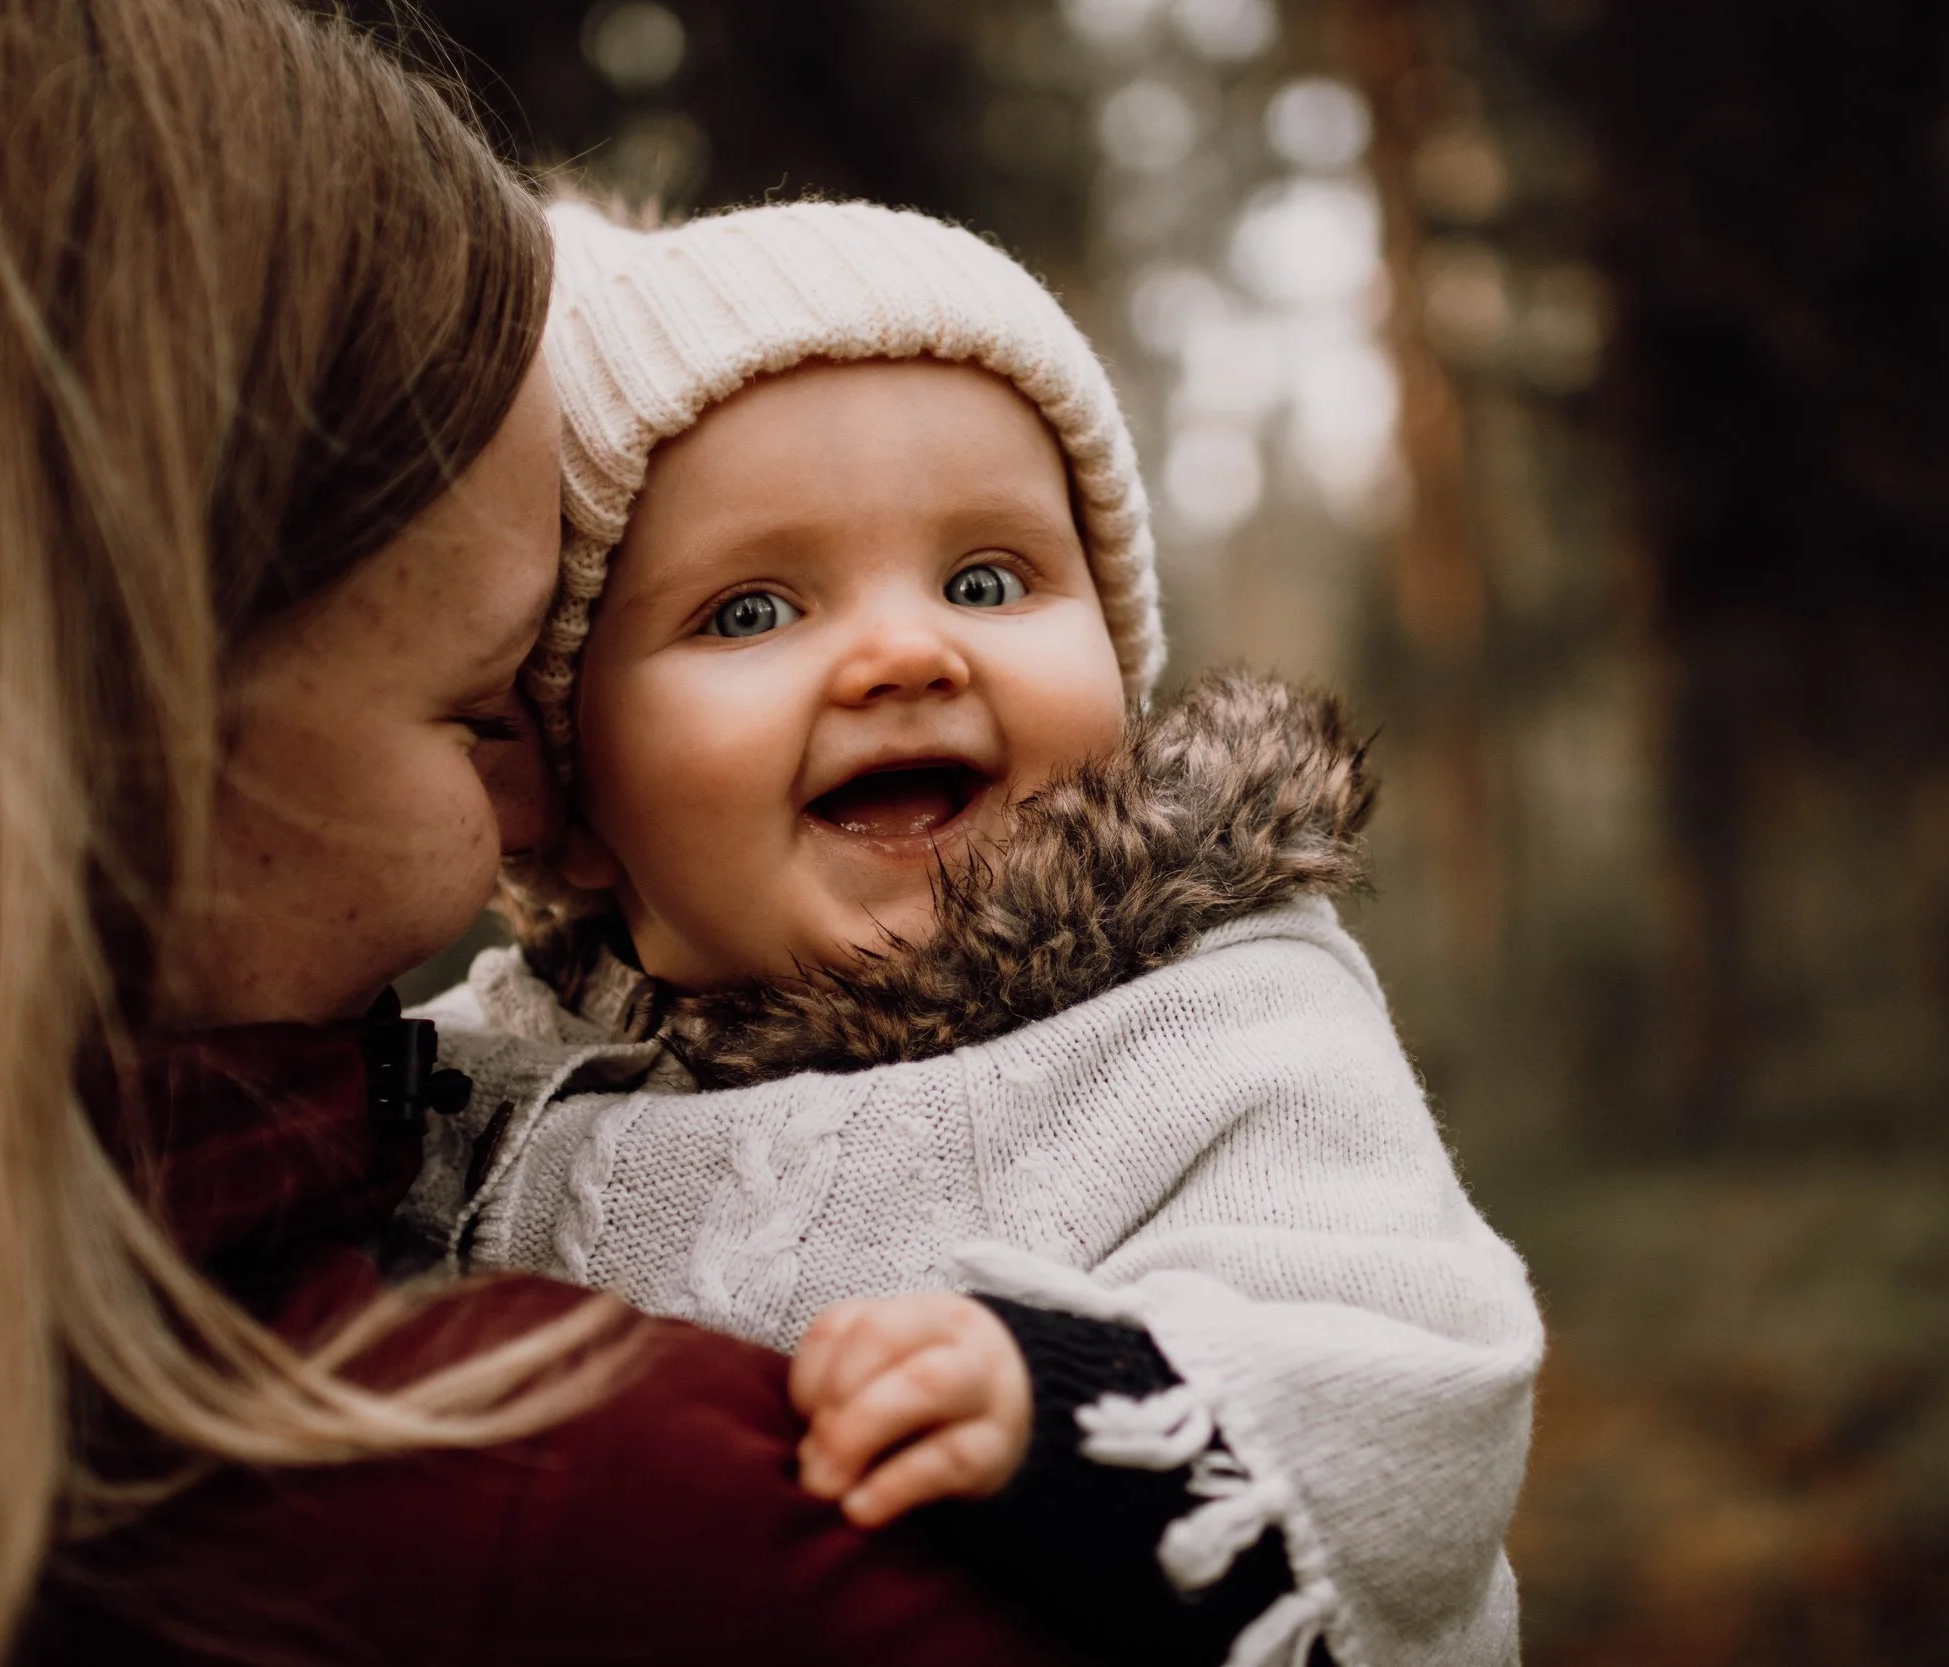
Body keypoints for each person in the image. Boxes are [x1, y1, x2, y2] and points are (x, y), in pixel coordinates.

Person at [0, 4, 1121, 1664]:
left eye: (989, 578)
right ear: (130, 715)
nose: (535, 819)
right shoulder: (614, 1537)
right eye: (479, 709)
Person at [406, 199, 1546, 1667]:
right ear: (567, 795)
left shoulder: (1225, 1020)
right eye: (751, 610)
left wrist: (1067, 1404)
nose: (905, 653)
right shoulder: (471, 1086)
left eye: (988, 582)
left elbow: (1418, 1373)